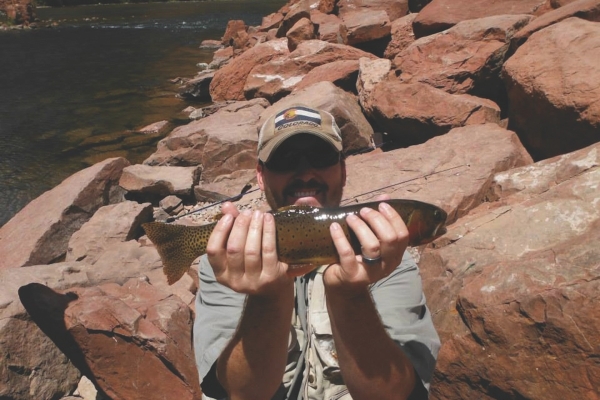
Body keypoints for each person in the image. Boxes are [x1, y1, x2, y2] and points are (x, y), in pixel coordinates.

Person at [194, 104, 440, 400]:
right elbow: (241, 394)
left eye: (320, 157)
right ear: (261, 176)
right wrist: (267, 297)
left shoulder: (386, 257)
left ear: (343, 169)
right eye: (285, 160)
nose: (305, 172)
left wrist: (350, 294)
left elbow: (391, 395)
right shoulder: (233, 257)